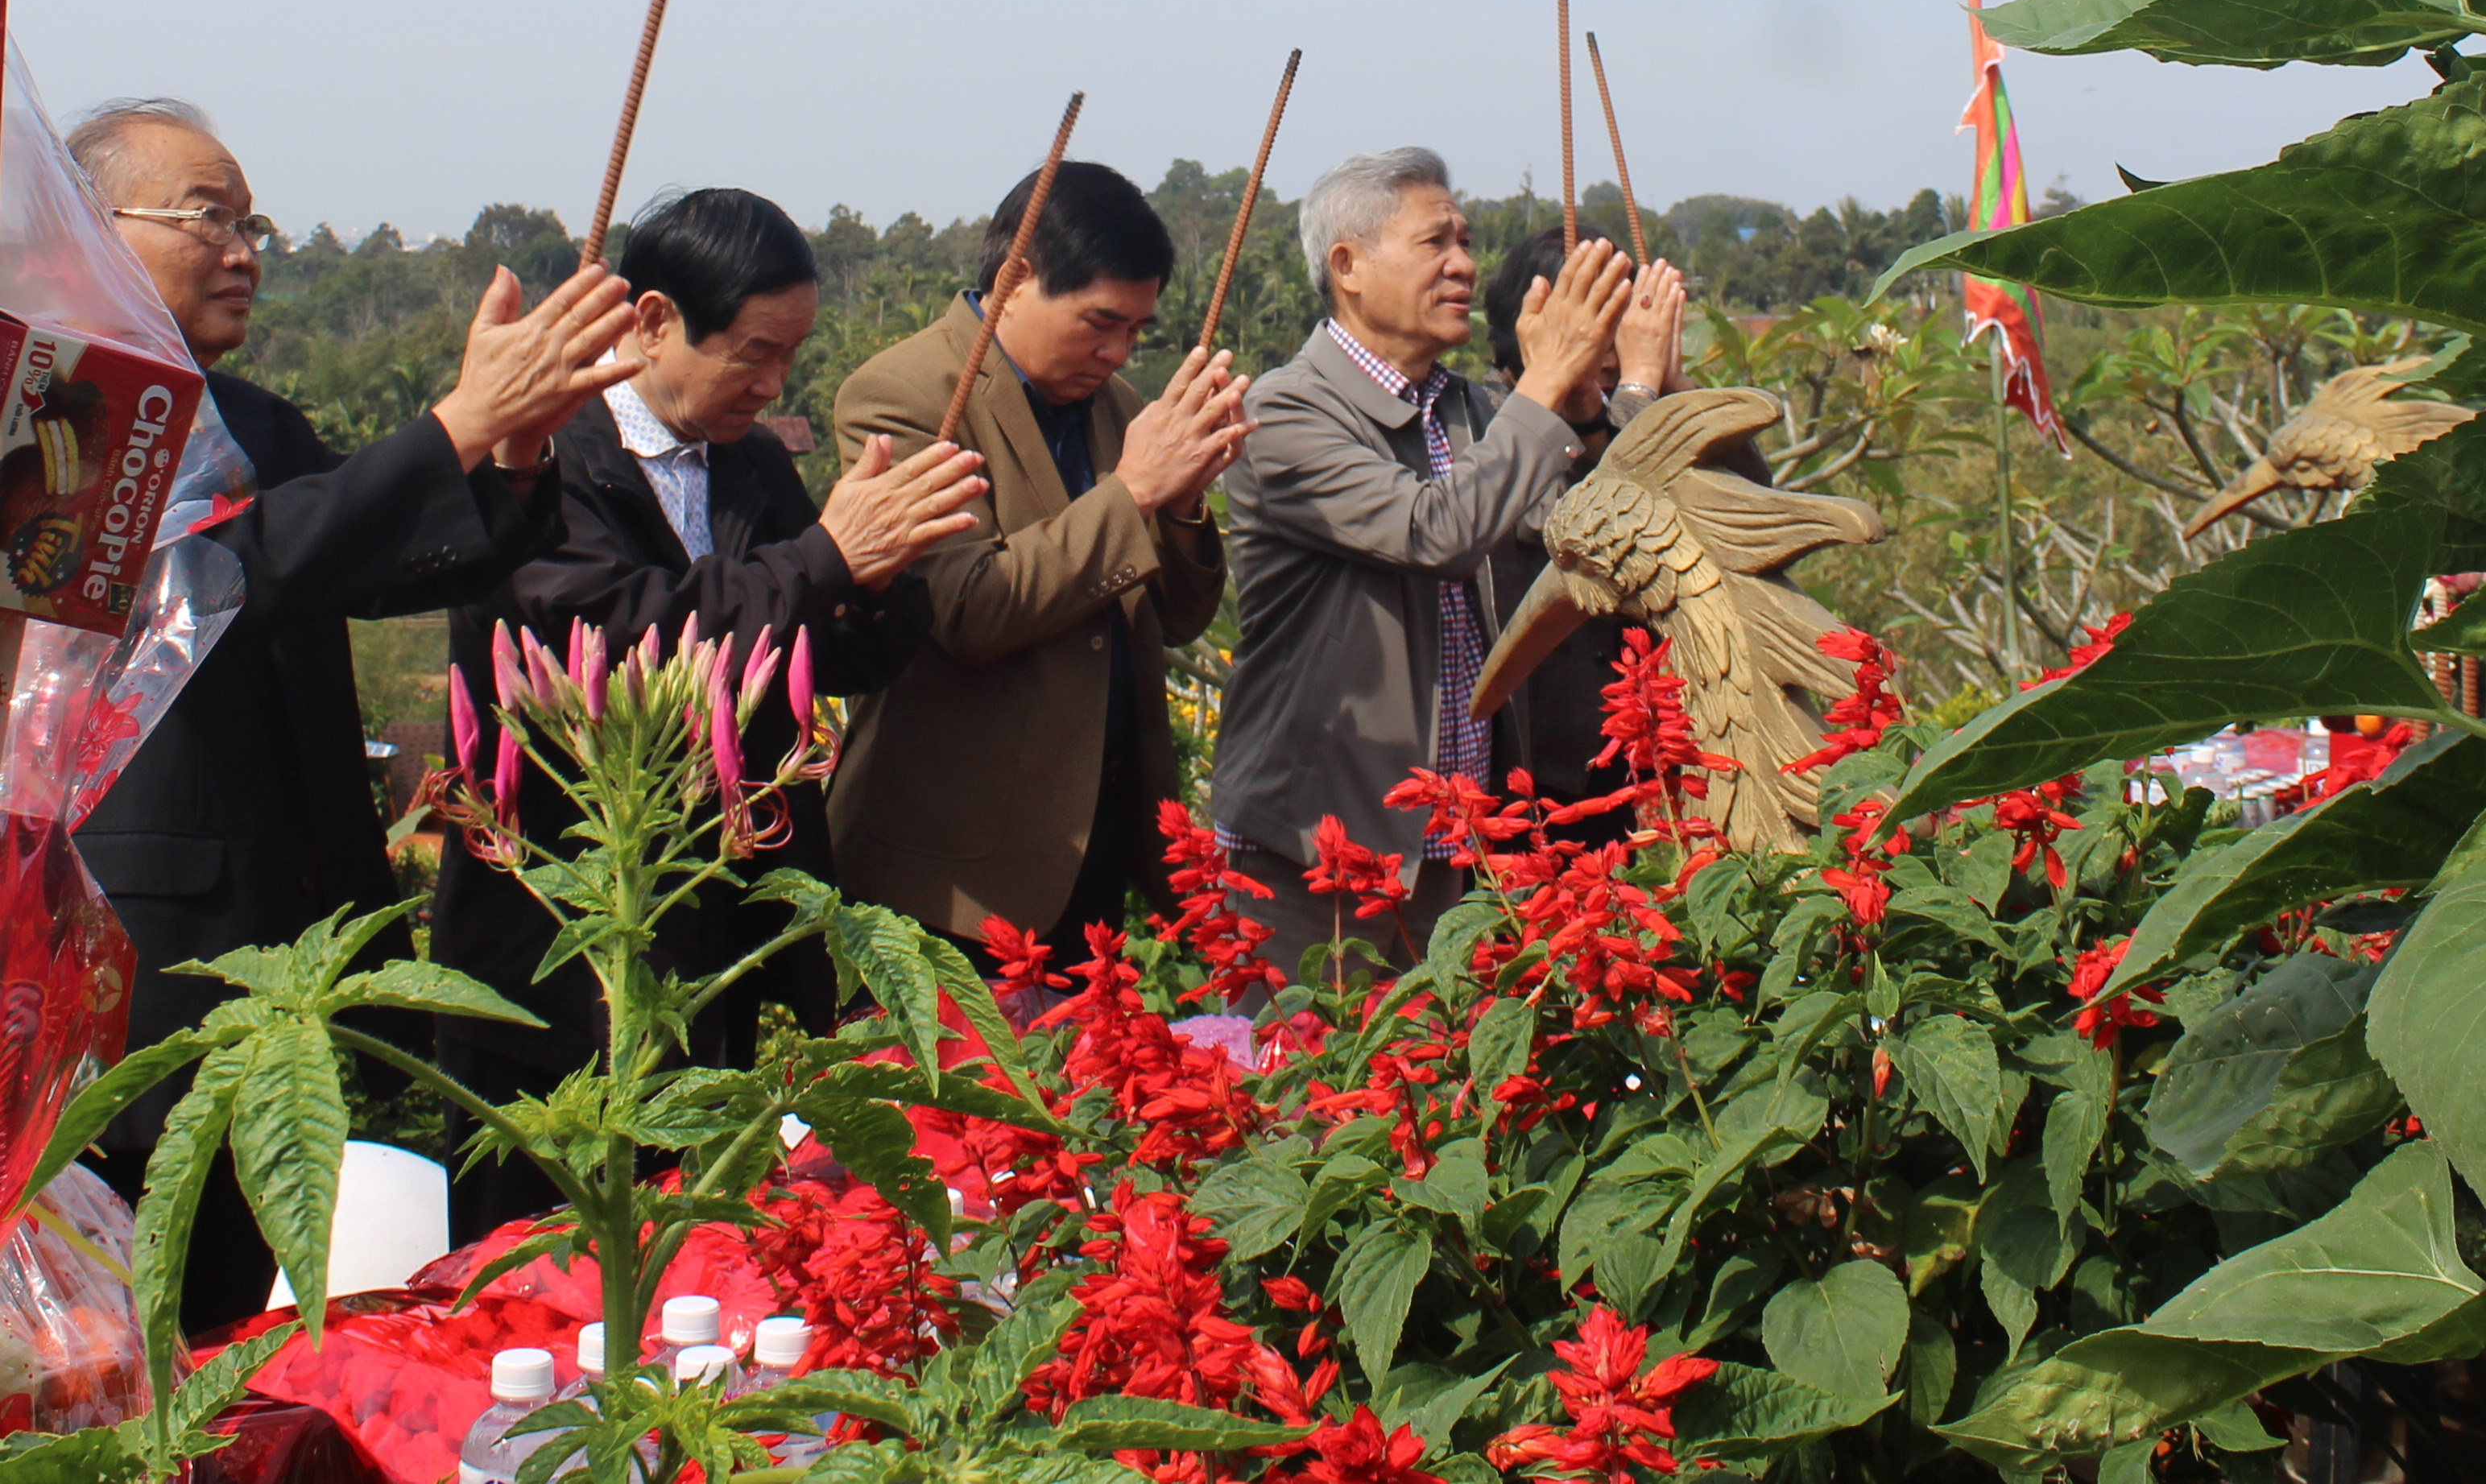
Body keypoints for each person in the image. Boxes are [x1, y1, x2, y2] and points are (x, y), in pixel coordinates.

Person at [66, 97, 638, 1329]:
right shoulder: (56, 407)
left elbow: (369, 563)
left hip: (294, 932)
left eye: (249, 220)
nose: (243, 250)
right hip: (137, 963)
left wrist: (518, 447)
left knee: (226, 1309)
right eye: (204, 217)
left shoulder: (258, 419)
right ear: (89, 230)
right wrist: (460, 423)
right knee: (120, 1319)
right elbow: (229, 570)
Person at [429, 187, 986, 1239]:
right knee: (548, 1263)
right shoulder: (537, 451)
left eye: (791, 355)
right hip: (571, 936)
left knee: (727, 1246)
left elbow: (822, 645)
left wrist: (884, 567)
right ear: (647, 320)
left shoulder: (756, 461)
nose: (774, 384)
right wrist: (827, 558)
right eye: (752, 352)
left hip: (737, 942)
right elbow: (622, 631)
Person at [1215, 149, 1629, 978]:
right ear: (1349, 266)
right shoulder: (1287, 410)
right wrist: (1544, 388)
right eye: (1436, 241)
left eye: (1466, 239)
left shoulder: (1472, 409)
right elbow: (1434, 530)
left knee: (1459, 1102)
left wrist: (1589, 415)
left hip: (1464, 850)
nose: (1466, 265)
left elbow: (1588, 535)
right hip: (1321, 854)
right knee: (1324, 1096)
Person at [827, 163, 1246, 968]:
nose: (1117, 350)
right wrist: (1134, 492)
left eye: (1136, 330)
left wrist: (1186, 506)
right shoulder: (907, 398)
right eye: (1099, 323)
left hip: (1093, 848)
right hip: (953, 873)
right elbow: (970, 610)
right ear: (1016, 280)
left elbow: (1178, 618)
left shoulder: (1120, 407)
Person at [1479, 227, 1708, 817]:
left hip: (1641, 751)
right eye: (1593, 318)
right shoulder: (1488, 418)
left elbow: (1739, 505)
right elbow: (1577, 527)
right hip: (1539, 769)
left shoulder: (1620, 410)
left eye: (1623, 319)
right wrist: (1634, 392)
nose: (1611, 345)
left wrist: (1677, 391)